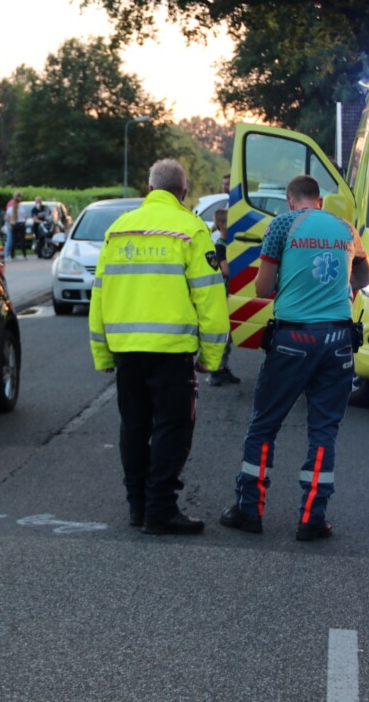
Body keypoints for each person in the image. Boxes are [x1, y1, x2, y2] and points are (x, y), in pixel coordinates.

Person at [221, 174, 369, 541]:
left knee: (264, 425)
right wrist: (332, 288)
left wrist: (293, 283)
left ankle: (249, 509)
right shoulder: (345, 228)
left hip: (292, 338)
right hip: (338, 340)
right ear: (319, 201)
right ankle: (312, 517)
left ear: (290, 201)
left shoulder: (283, 224)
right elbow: (364, 278)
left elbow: (262, 287)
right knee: (323, 431)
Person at [90, 158, 229, 536]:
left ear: (149, 189)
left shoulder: (117, 230)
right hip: (171, 352)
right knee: (172, 428)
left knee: (133, 426)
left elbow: (99, 295)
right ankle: (161, 509)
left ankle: (138, 506)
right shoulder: (191, 229)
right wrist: (211, 357)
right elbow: (211, 299)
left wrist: (102, 352)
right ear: (183, 192)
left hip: (126, 352)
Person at [206, 208, 240, 387]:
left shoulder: (228, 244)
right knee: (224, 333)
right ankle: (215, 371)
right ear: (221, 225)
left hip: (229, 293)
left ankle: (222, 367)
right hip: (223, 294)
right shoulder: (220, 245)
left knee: (229, 335)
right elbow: (225, 270)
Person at [4, 190, 22, 260]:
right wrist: (10, 223)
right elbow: (8, 215)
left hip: (13, 223)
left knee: (13, 240)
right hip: (10, 224)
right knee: (9, 240)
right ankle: (6, 255)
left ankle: (12, 255)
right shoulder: (11, 203)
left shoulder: (17, 203)